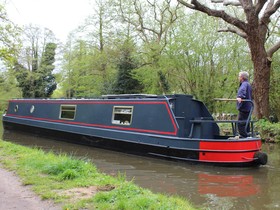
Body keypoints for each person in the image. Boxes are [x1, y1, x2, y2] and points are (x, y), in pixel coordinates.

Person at [236, 71, 252, 138]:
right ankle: (248, 134)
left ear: (242, 77)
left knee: (241, 123)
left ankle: (243, 136)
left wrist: (240, 96)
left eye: (239, 76)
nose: (238, 78)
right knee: (246, 122)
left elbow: (242, 91)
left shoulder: (244, 84)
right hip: (248, 107)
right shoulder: (248, 84)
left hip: (244, 107)